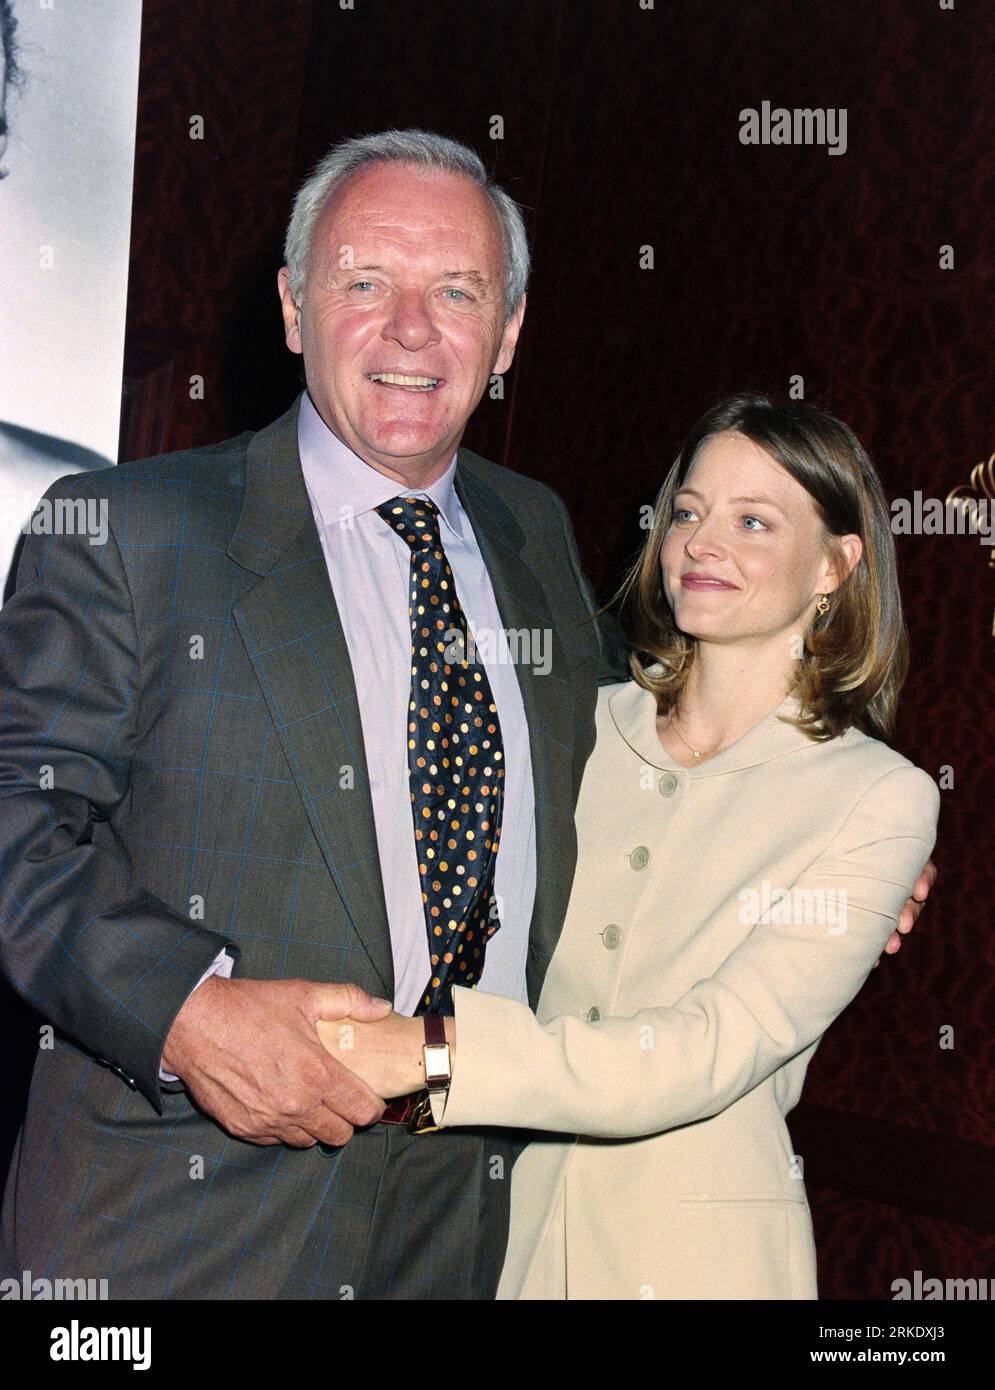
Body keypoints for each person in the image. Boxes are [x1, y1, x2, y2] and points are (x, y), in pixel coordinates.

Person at [0, 128, 929, 1301]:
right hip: (178, 1223)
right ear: (292, 308)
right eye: (363, 282)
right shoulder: (130, 534)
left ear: (508, 332)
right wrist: (187, 1011)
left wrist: (848, 854)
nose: (408, 329)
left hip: (465, 1227)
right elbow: (19, 824)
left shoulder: (530, 532)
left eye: (455, 290)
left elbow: (656, 758)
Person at [319, 392, 941, 1300]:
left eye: (753, 520)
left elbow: (708, 1051)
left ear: (836, 566)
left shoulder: (879, 798)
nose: (699, 543)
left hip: (701, 1268)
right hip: (491, 1244)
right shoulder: (570, 724)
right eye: (686, 511)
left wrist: (435, 1055)